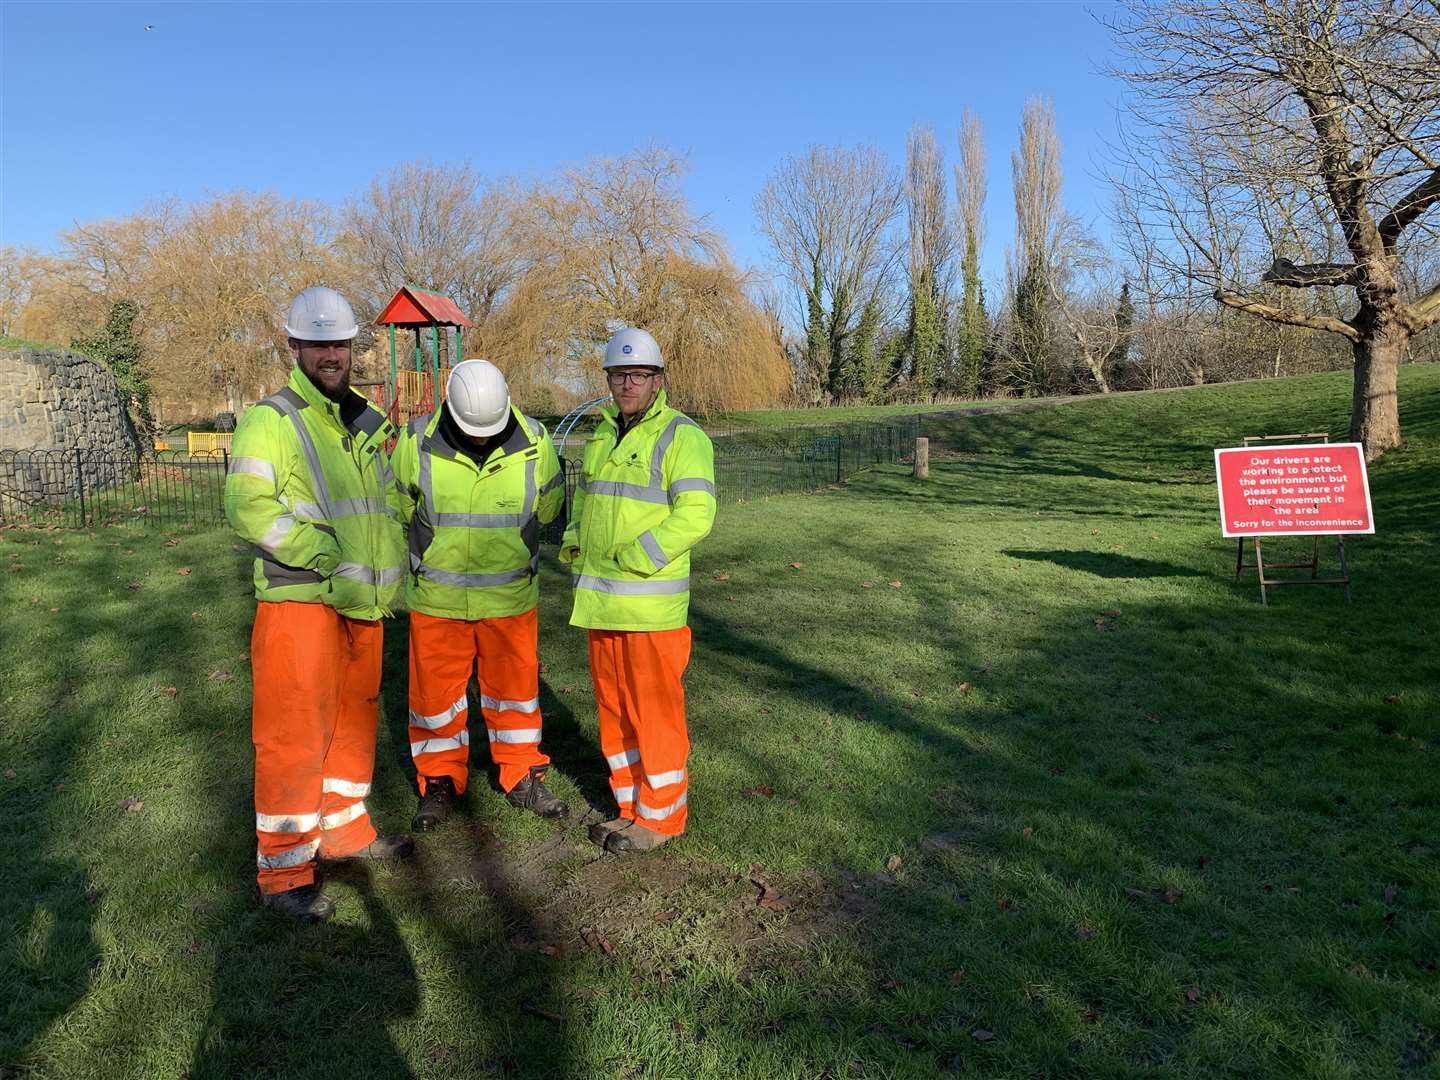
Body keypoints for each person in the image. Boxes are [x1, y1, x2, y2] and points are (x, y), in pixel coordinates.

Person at [224, 286, 413, 924]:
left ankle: (344, 829)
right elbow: (249, 507)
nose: (332, 355)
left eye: (340, 344)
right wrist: (321, 555)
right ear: (295, 346)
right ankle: (283, 870)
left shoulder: (360, 422)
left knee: (354, 722)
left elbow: (383, 508)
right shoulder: (271, 419)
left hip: (363, 601)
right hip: (301, 599)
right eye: (320, 344)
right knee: (292, 732)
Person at [391, 360, 568, 831]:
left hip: (509, 600)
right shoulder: (416, 443)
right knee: (434, 699)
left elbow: (549, 504)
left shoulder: (535, 443)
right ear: (448, 407)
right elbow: (395, 507)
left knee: (515, 696)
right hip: (436, 600)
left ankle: (521, 773)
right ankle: (440, 779)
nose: (481, 438)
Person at [560, 328, 716, 854]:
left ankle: (662, 818)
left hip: (650, 607)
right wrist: (575, 539)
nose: (627, 384)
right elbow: (586, 500)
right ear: (607, 379)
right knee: (614, 708)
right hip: (602, 602)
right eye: (618, 375)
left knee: (654, 714)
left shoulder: (682, 436)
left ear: (657, 380)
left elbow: (697, 513)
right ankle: (629, 806)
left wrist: (641, 554)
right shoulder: (602, 435)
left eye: (638, 375)